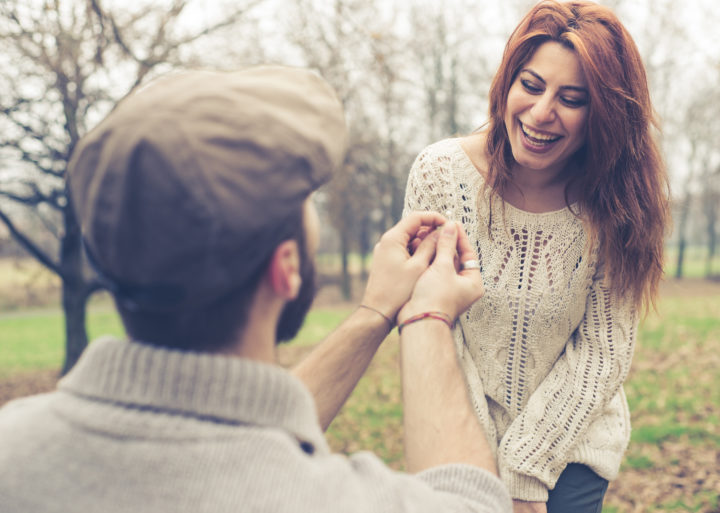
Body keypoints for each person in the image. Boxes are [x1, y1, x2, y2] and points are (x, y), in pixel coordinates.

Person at [0, 66, 513, 513]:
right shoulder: (338, 501)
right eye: (305, 202)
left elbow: (229, 431)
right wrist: (427, 318)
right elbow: (467, 501)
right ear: (285, 267)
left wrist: (375, 311)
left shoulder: (14, 455)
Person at [403, 1, 669, 512]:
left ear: (605, 114)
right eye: (530, 85)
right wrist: (479, 467)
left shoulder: (618, 202)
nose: (542, 112)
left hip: (570, 446)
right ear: (507, 83)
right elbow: (436, 329)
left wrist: (525, 475)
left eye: (572, 99)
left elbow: (602, 352)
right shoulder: (440, 175)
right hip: (459, 437)